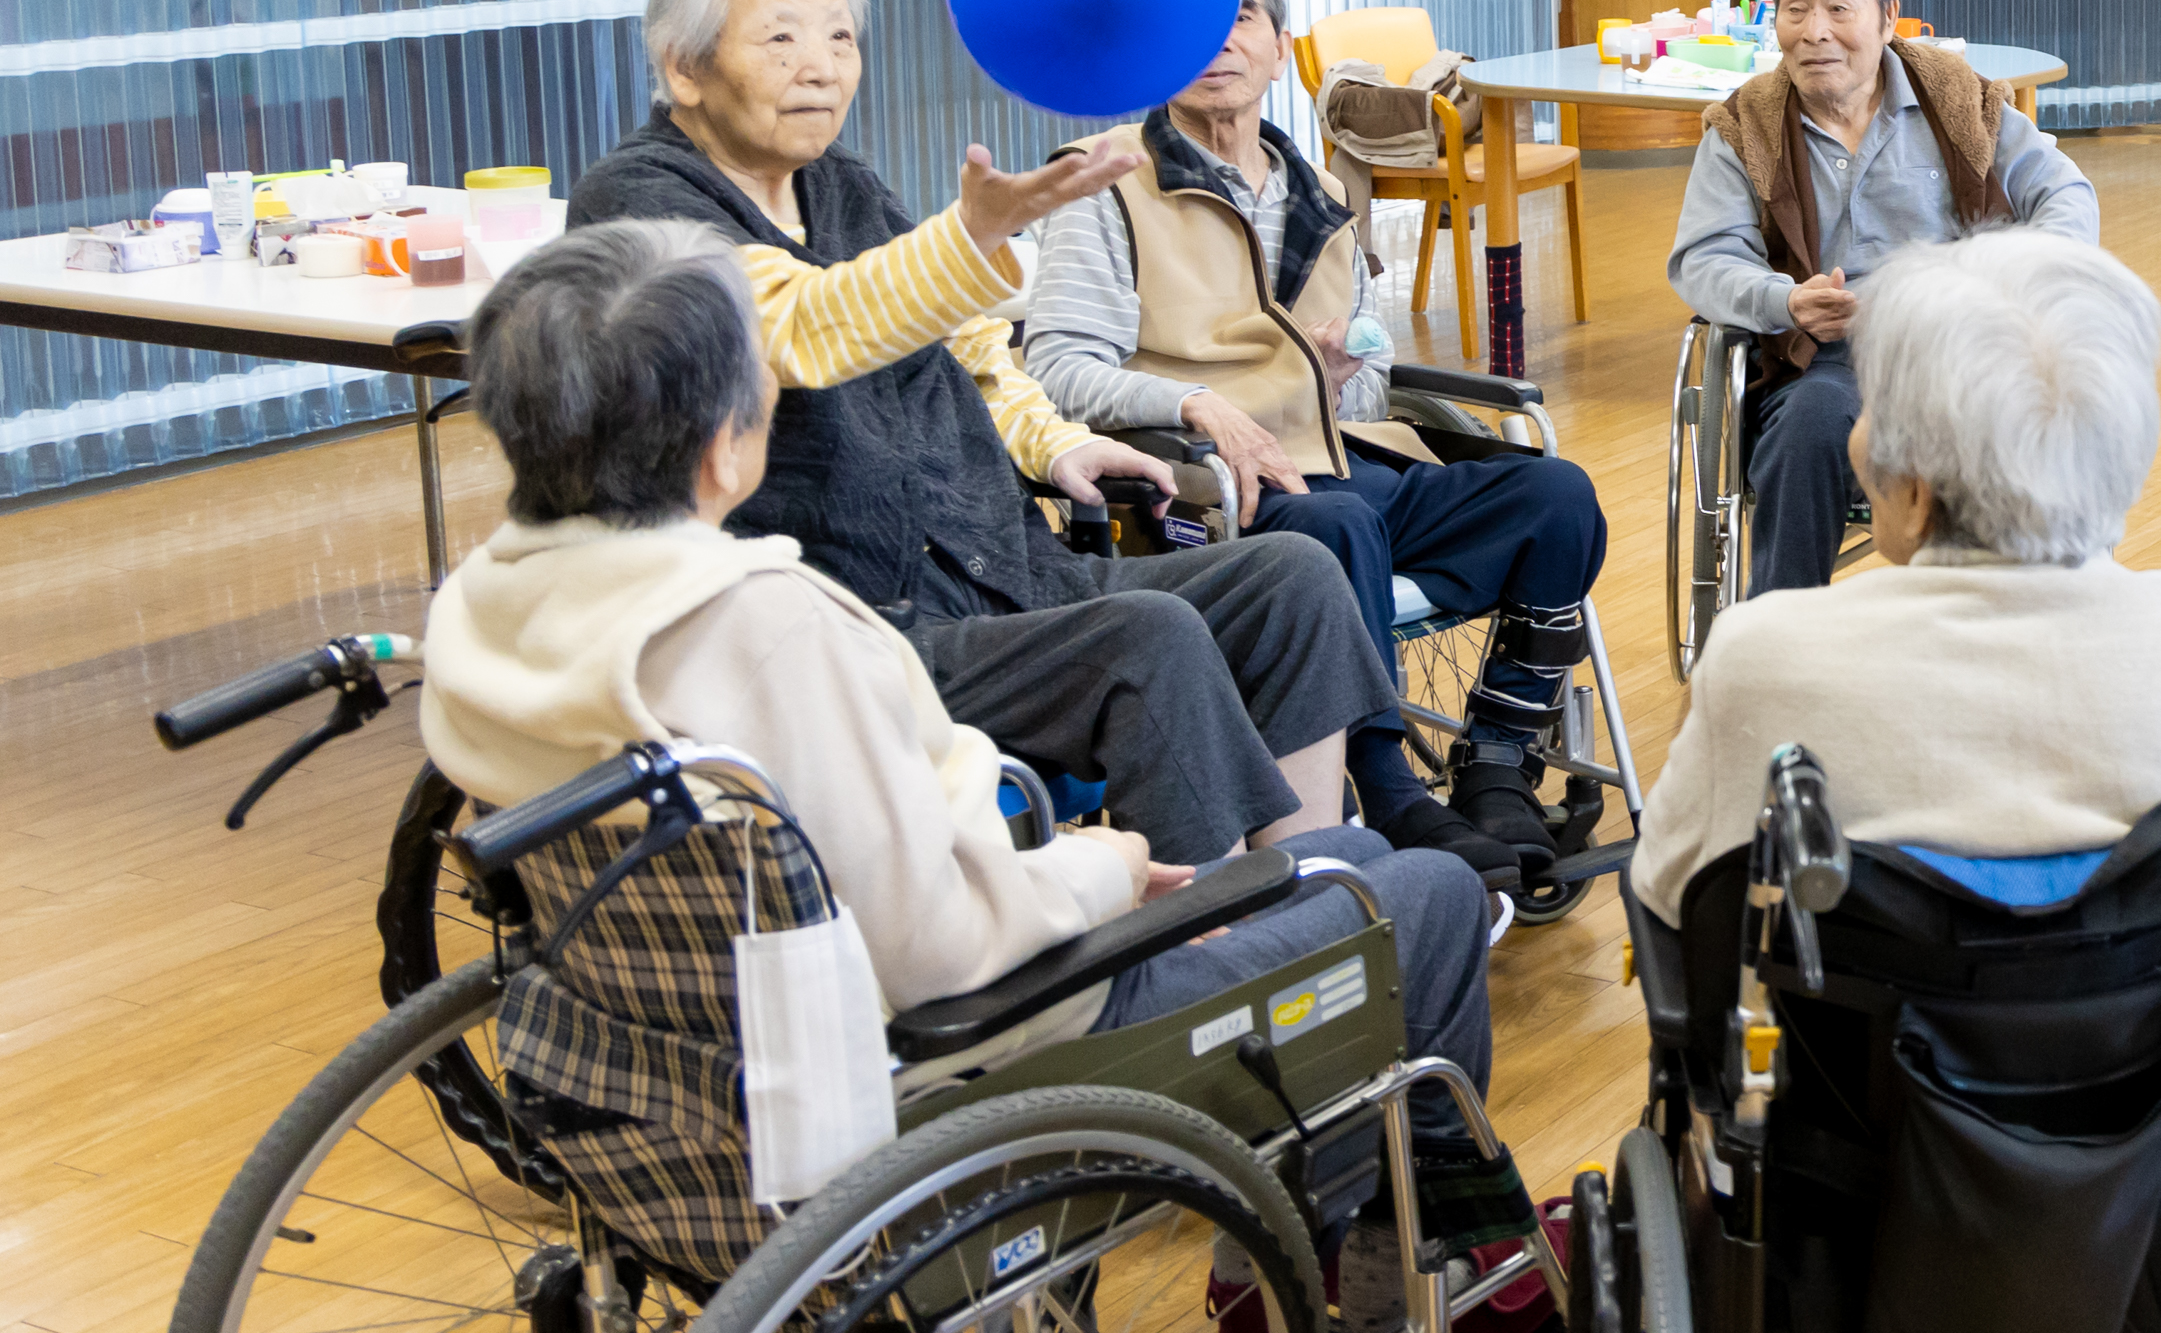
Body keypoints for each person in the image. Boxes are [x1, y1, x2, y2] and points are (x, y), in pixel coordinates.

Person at [414, 220, 1507, 1240]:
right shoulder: (768, 628)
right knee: (1425, 894)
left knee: (1352, 852)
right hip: (972, 1054)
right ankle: (1368, 1265)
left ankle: (1297, 1230)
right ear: (722, 451)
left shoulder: (476, 610)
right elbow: (941, 954)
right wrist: (1107, 865)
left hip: (667, 1074)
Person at [568, 0, 1401, 870]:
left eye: (841, 38)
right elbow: (801, 324)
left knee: (1291, 575)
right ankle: (1211, 951)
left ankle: (1311, 890)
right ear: (683, 68)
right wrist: (966, 241)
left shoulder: (838, 184)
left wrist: (1055, 445)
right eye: (782, 37)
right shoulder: (636, 204)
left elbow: (968, 350)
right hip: (853, 626)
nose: (822, 66)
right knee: (1148, 635)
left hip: (997, 572)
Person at [1022, 0, 1611, 886]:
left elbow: (1365, 392)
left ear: (1277, 44)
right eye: (1192, 22)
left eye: (1244, 16)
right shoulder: (1105, 187)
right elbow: (1054, 370)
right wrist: (1194, 403)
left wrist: (1339, 380)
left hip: (1335, 464)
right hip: (1203, 494)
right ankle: (1386, 786)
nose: (1220, 40)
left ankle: (1497, 758)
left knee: (1555, 493)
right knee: (1335, 522)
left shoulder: (1330, 197)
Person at [1628, 232, 2161, 916]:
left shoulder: (1759, 655)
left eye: (1872, 408)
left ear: (1917, 497)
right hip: (2160, 1020)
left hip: (1857, 1019)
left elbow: (1673, 899)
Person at [1666, 0, 2100, 597]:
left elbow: (2066, 192)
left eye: (1838, 6)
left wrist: (2011, 281)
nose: (1814, 31)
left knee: (2058, 406)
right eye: (1795, 8)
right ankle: (1782, 641)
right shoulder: (1745, 126)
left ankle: (2037, 618)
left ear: (1888, 14)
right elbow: (1703, 258)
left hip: (1959, 352)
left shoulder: (1958, 101)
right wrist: (1786, 300)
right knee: (1805, 427)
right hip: (1827, 362)